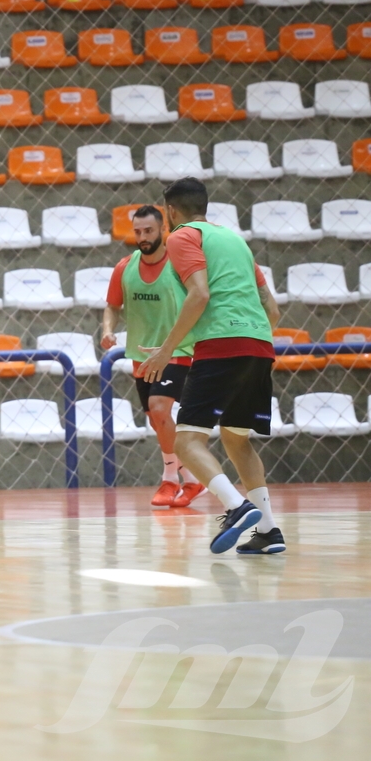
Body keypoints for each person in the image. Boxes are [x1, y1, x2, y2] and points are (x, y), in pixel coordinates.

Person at [138, 178, 285, 555]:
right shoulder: (235, 241)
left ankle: (236, 508)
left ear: (170, 212)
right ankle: (269, 531)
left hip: (222, 346)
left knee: (186, 441)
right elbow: (273, 309)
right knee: (237, 440)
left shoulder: (182, 237)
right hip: (259, 344)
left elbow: (200, 293)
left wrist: (166, 350)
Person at [101, 205, 205, 509]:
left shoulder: (178, 264)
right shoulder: (125, 267)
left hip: (178, 351)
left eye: (148, 231)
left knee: (160, 409)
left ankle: (174, 476)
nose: (143, 237)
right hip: (141, 355)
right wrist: (108, 329)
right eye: (137, 232)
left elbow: (200, 298)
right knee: (156, 418)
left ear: (163, 230)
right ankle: (187, 479)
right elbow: (112, 305)